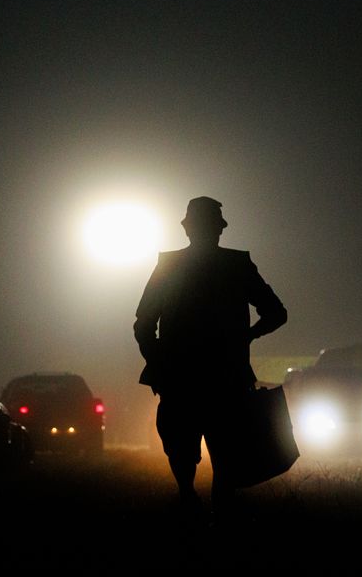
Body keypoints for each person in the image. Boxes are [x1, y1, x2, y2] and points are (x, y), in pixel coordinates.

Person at [134, 196, 287, 521]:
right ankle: (210, 510)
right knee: (223, 453)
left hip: (185, 379)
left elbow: (144, 324)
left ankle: (191, 501)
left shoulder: (171, 266)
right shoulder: (236, 266)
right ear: (219, 229)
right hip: (223, 377)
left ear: (187, 228)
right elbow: (275, 313)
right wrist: (249, 335)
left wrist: (158, 361)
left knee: (185, 449)